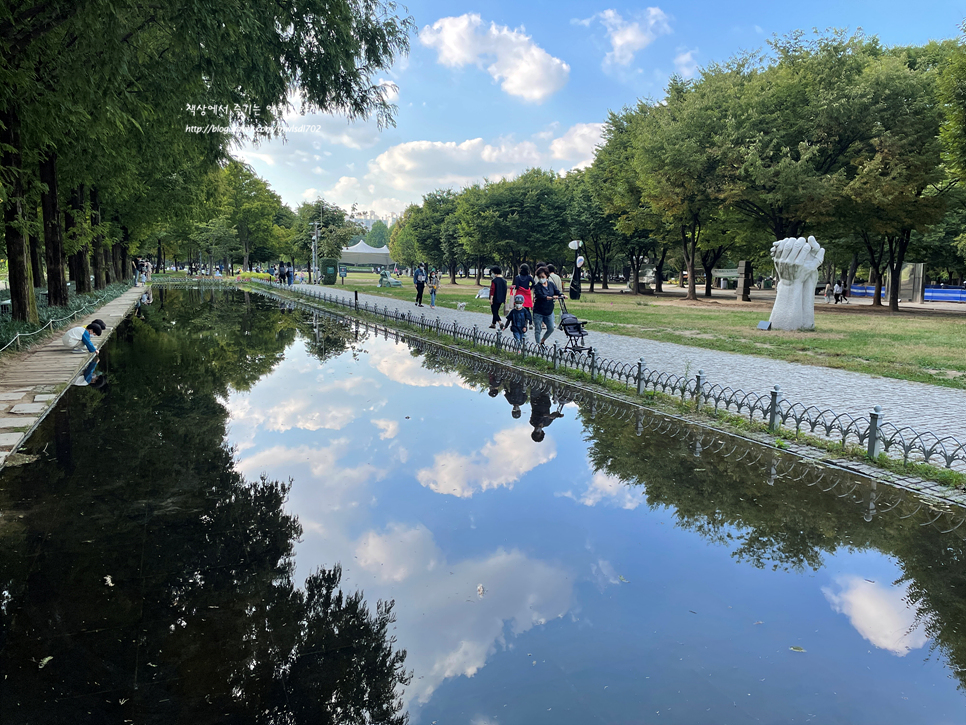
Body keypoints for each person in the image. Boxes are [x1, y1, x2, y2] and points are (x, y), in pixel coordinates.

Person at [532, 267, 561, 346]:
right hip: (539, 311)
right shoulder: (537, 286)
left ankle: (542, 340)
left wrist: (561, 295)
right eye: (539, 277)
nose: (541, 279)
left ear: (547, 276)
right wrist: (551, 297)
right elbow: (541, 296)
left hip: (549, 311)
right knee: (538, 329)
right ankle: (538, 345)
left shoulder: (551, 284)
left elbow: (557, 291)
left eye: (543, 277)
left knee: (551, 328)